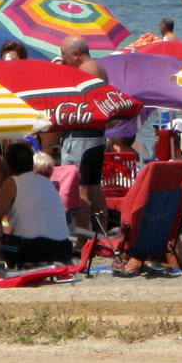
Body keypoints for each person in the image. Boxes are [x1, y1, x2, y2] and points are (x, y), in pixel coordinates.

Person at [0, 142, 73, 266]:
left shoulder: (12, 182)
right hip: (62, 249)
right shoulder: (47, 182)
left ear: (7, 165)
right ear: (32, 164)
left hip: (32, 251)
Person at [57, 36, 110, 225]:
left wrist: (59, 73)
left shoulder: (85, 71)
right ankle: (99, 232)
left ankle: (82, 237)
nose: (62, 58)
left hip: (82, 134)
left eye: (64, 54)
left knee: (81, 188)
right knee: (95, 186)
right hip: (96, 134)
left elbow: (76, 101)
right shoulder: (98, 68)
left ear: (76, 54)